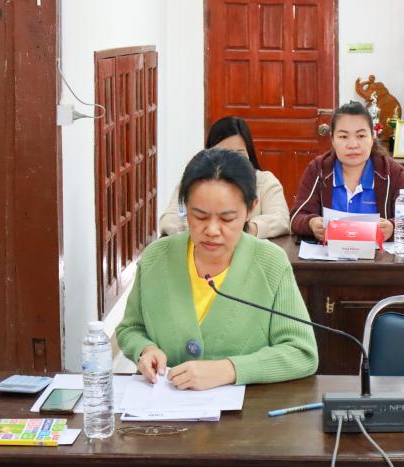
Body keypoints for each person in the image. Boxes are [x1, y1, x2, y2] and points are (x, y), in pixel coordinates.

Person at [117, 148, 318, 390]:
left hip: (247, 411)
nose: (212, 230)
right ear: (184, 206)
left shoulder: (270, 262)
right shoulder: (156, 258)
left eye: (227, 218)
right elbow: (130, 329)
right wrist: (145, 349)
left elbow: (301, 352)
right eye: (200, 216)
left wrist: (230, 370)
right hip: (164, 408)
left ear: (251, 209)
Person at [290, 101, 404, 241]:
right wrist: (312, 223)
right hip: (330, 254)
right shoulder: (319, 169)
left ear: (372, 137)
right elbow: (296, 217)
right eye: (343, 137)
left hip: (378, 254)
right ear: (332, 140)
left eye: (361, 136)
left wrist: (393, 227)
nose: (353, 145)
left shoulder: (391, 171)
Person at [159, 116, 290, 239]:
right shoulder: (194, 181)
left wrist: (244, 229)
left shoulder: (265, 181)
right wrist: (194, 229)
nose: (231, 161)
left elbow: (280, 219)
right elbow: (169, 220)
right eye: (223, 153)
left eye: (239, 154)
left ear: (249, 153)